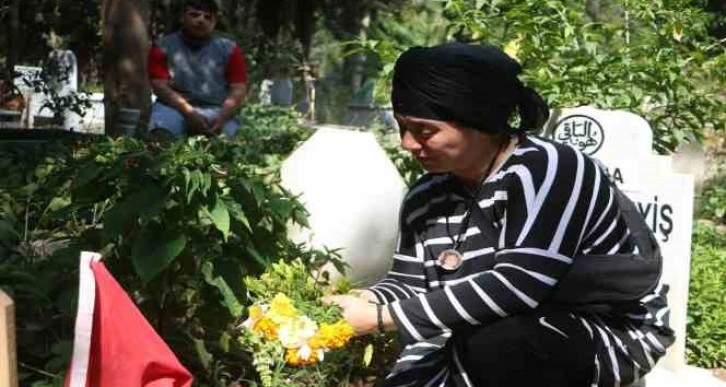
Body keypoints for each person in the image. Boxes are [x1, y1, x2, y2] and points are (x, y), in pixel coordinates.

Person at [325, 43, 674, 386]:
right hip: (474, 332)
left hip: (599, 330)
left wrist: (379, 317)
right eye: (402, 127)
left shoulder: (550, 170)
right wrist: (365, 300)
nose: (407, 143)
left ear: (478, 120)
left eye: (424, 130)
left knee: (504, 342)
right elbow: (409, 283)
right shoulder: (425, 195)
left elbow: (517, 285)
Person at [147, 0, 247, 139]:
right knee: (162, 135)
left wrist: (222, 117)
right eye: (194, 15)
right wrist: (189, 112)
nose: (201, 20)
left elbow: (238, 88)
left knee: (228, 142)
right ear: (183, 17)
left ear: (214, 22)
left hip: (216, 109)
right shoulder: (163, 46)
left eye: (208, 17)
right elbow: (159, 86)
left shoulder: (229, 49)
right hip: (173, 108)